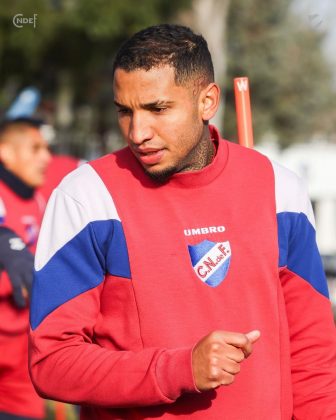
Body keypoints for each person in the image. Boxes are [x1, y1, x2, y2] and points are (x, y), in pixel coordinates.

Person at [29, 24, 336, 419]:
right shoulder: (86, 196)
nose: (138, 133)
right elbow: (51, 363)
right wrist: (179, 368)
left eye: (158, 109)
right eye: (125, 111)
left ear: (207, 101)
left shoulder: (280, 189)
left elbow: (313, 352)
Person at [0, 118, 51, 419]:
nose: (46, 157)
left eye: (46, 148)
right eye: (35, 149)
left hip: (22, 353)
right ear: (5, 152)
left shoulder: (41, 200)